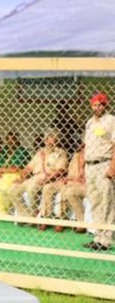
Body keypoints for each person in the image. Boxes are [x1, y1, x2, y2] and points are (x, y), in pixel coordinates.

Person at [6, 130, 67, 220]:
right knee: (12, 191)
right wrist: (21, 177)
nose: (49, 140)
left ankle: (34, 214)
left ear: (57, 139)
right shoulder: (39, 152)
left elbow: (60, 170)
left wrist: (47, 179)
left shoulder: (60, 153)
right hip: (34, 178)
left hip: (48, 178)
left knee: (31, 189)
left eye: (52, 137)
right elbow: (28, 168)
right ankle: (28, 216)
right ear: (45, 140)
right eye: (48, 137)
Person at [82, 93, 115, 251]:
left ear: (105, 105)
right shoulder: (89, 123)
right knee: (94, 201)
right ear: (91, 105)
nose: (97, 107)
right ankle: (97, 236)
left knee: (106, 201)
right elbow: (86, 146)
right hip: (90, 165)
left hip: (104, 163)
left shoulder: (111, 121)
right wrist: (84, 167)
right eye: (95, 105)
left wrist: (112, 167)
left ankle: (106, 239)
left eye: (100, 104)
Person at [0, 131, 30, 214]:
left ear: (18, 140)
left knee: (2, 188)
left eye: (13, 139)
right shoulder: (4, 151)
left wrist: (2, 170)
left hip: (15, 175)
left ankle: (4, 212)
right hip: (3, 176)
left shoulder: (22, 151)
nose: (10, 142)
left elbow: (16, 168)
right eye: (8, 139)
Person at [40, 145, 86, 232]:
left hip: (79, 183)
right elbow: (68, 171)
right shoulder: (76, 156)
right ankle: (45, 216)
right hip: (69, 180)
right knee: (47, 188)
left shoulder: (92, 159)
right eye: (83, 146)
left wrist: (73, 179)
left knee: (65, 190)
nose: (83, 148)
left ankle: (61, 219)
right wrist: (66, 178)